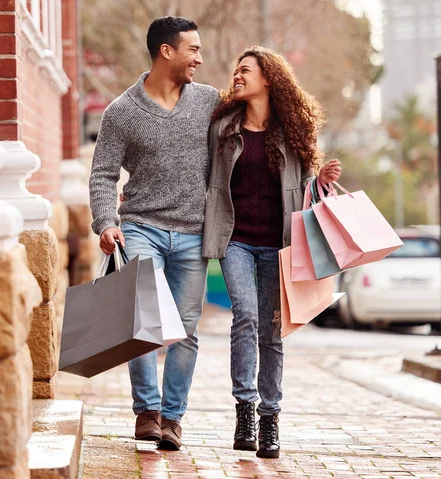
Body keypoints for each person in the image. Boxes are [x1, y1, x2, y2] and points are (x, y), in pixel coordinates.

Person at [202, 46, 342, 459]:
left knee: (273, 330)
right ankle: (245, 409)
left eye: (245, 70)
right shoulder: (224, 128)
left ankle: (270, 418)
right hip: (235, 241)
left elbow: (306, 190)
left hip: (279, 246)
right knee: (244, 315)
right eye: (236, 70)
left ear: (268, 79)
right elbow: (204, 178)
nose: (237, 76)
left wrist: (323, 179)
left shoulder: (293, 130)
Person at [88, 16, 221, 450]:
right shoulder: (122, 112)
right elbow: (103, 174)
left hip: (194, 234)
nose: (199, 58)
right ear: (167, 51)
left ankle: (172, 418)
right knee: (142, 321)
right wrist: (107, 222)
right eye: (193, 49)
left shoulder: (209, 102)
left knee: (184, 329)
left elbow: (252, 134)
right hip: (141, 227)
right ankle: (146, 411)